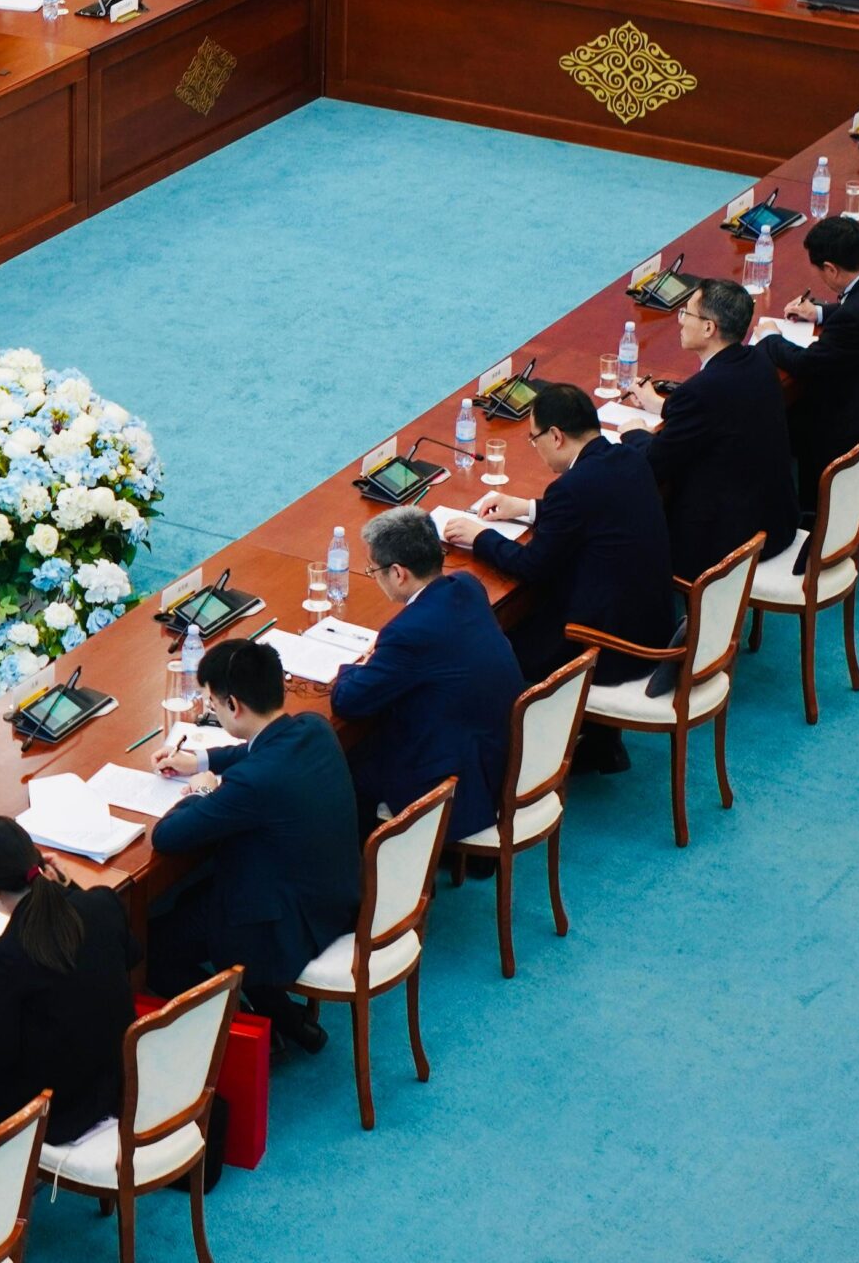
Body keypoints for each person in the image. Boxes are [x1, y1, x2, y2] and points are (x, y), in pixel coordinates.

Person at [450, 381, 675, 772]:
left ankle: (519, 761)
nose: (535, 449)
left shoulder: (570, 488)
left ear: (555, 436)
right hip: (656, 625)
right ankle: (600, 742)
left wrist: (480, 537)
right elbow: (593, 510)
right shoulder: (628, 458)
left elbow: (532, 566)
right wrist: (527, 508)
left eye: (534, 439)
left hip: (610, 647)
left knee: (495, 645)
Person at [148, 638, 359, 1053]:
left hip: (281, 924)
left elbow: (167, 837)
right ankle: (289, 1022)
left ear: (233, 705)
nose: (212, 710)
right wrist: (204, 760)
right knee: (192, 896)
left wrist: (202, 789)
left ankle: (248, 1029)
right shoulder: (314, 728)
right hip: (332, 898)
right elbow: (258, 748)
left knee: (153, 947)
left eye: (212, 704)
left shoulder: (254, 783)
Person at [331, 507, 520, 840]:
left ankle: (375, 865)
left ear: (398, 573)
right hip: (496, 752)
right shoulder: (466, 585)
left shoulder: (408, 633)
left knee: (342, 767)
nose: (374, 576)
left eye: (373, 569)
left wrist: (354, 665)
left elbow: (348, 701)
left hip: (457, 784)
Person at [0, 816, 139, 1145]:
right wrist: (68, 887)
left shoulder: (5, 956)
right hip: (119, 1073)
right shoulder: (101, 902)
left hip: (59, 1110)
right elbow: (132, 953)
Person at [620, 276, 797, 579]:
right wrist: (661, 405)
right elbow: (721, 411)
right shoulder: (758, 362)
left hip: (729, 543)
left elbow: (654, 464)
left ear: (708, 328)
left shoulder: (701, 391)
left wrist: (633, 433)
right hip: (776, 520)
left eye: (686, 313)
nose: (680, 321)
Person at [768, 213, 859, 508]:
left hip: (857, 428)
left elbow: (807, 365)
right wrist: (820, 312)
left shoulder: (852, 318)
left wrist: (771, 338)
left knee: (775, 420)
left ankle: (810, 513)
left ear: (831, 269)